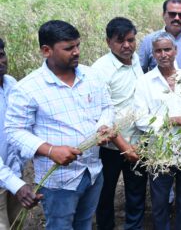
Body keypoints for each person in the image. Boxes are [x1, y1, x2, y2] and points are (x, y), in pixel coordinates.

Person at [5, 20, 115, 229]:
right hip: (59, 180)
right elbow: (14, 131)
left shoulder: (91, 75)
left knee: (84, 223)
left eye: (77, 46)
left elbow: (107, 107)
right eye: (68, 48)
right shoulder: (28, 88)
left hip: (92, 171)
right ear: (46, 50)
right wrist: (51, 150)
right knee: (60, 225)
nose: (76, 52)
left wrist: (104, 126)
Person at [134, 32, 181, 230]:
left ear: (175, 51)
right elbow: (140, 119)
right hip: (159, 153)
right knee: (160, 200)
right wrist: (173, 121)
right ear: (153, 54)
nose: (163, 54)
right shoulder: (145, 82)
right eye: (158, 51)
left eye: (167, 49)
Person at [92, 17, 147, 230]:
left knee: (136, 191)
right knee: (105, 193)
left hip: (138, 141)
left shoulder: (135, 60)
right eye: (120, 41)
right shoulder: (101, 70)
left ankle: (134, 227)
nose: (127, 45)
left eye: (131, 40)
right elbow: (104, 113)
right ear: (108, 42)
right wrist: (123, 146)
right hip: (112, 146)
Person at [0, 38, 42, 229]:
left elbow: (21, 127)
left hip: (15, 173)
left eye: (1, 55)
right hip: (7, 178)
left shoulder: (11, 84)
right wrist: (16, 184)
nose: (1, 61)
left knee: (18, 223)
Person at [139, 0, 181, 73]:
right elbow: (140, 72)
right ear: (163, 15)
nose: (177, 18)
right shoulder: (149, 41)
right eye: (172, 14)